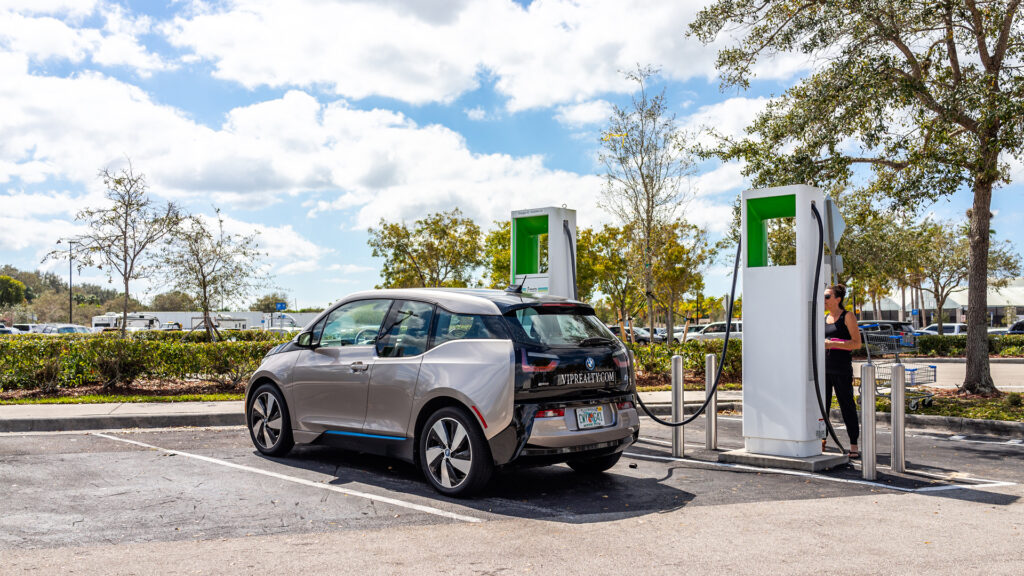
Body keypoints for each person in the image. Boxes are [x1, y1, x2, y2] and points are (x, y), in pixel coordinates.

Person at [823, 284, 862, 458]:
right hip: (824, 369)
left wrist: (832, 344)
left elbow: (856, 343)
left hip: (841, 369)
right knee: (822, 406)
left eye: (827, 296)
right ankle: (821, 440)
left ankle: (853, 444)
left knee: (847, 405)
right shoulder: (824, 318)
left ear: (837, 299)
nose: (824, 300)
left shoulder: (848, 316)